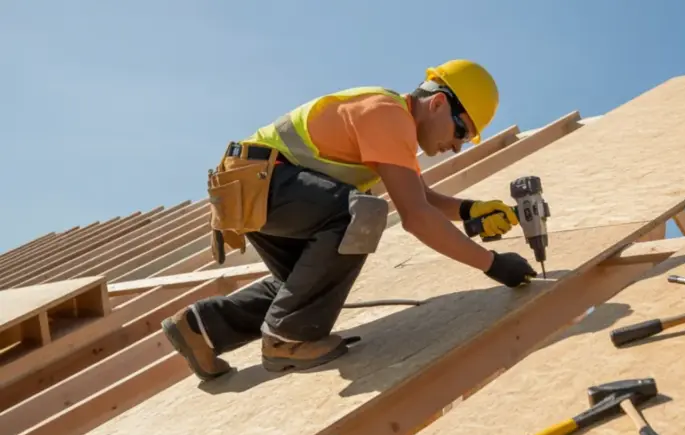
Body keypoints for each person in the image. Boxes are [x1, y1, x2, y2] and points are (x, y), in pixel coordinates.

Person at [160, 59, 537, 381]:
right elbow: (416, 216)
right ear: (438, 103)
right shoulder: (389, 115)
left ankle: (201, 328)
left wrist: (470, 210)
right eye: (461, 131)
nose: (456, 145)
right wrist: (493, 264)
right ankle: (288, 338)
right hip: (263, 182)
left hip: (252, 187)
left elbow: (420, 198)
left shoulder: (390, 122)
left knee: (308, 286)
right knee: (360, 215)